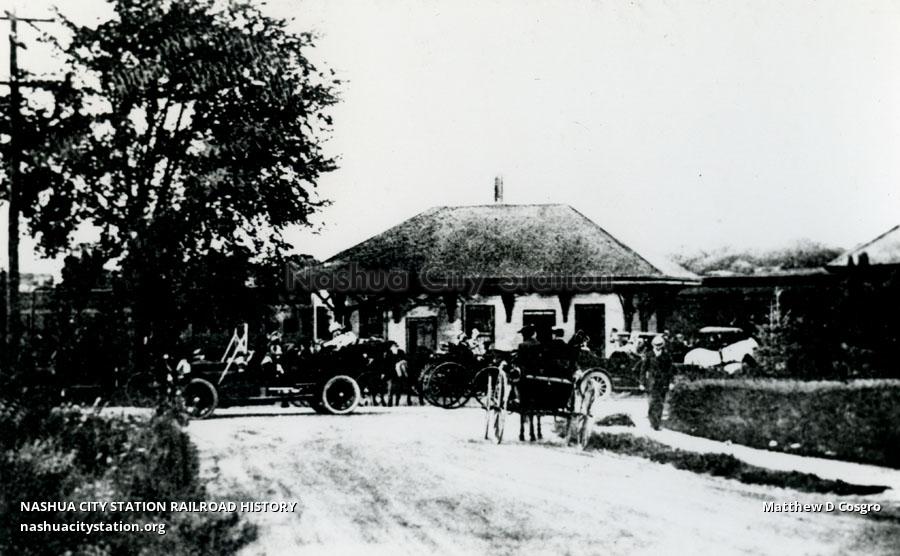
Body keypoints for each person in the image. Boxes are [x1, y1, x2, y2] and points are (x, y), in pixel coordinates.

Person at [642, 335, 674, 430]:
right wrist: (642, 382)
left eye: (660, 344)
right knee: (652, 403)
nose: (658, 346)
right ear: (653, 345)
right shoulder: (648, 355)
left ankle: (657, 424)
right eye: (656, 345)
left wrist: (671, 382)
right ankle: (652, 421)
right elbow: (643, 370)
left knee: (660, 403)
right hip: (651, 383)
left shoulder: (666, 356)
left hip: (663, 382)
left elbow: (670, 370)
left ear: (662, 345)